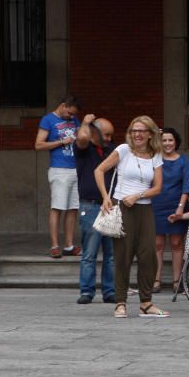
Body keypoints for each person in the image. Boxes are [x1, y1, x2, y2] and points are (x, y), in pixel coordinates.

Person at [94, 116, 168, 319]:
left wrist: (138, 195)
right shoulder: (123, 150)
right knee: (123, 256)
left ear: (150, 134)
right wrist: (106, 197)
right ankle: (120, 302)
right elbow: (99, 171)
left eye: (142, 131)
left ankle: (146, 303)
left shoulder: (156, 155)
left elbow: (158, 188)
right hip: (122, 208)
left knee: (148, 256)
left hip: (144, 209)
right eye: (134, 130)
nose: (137, 134)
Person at [74, 114, 116, 304]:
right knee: (89, 253)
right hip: (90, 205)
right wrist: (85, 122)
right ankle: (87, 291)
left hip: (111, 206)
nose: (108, 139)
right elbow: (82, 137)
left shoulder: (112, 150)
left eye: (111, 136)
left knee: (111, 254)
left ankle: (110, 291)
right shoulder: (84, 148)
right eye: (106, 135)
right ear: (94, 132)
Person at [34, 95, 81, 258]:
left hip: (76, 169)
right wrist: (62, 142)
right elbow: (38, 144)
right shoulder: (48, 120)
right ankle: (54, 245)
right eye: (69, 113)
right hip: (59, 169)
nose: (71, 117)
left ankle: (69, 245)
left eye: (73, 115)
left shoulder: (75, 121)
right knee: (58, 207)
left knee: (73, 208)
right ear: (62, 106)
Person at [152, 127, 189, 293]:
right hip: (156, 204)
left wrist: (180, 208)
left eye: (170, 140)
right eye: (164, 140)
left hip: (177, 204)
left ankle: (177, 280)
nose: (167, 143)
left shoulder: (184, 160)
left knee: (176, 243)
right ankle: (155, 280)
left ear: (176, 142)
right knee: (157, 244)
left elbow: (186, 186)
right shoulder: (154, 159)